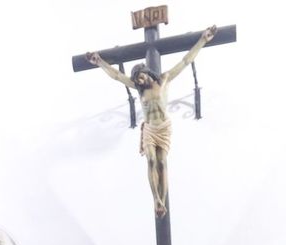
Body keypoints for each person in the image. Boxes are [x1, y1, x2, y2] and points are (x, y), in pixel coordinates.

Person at [87, 25, 218, 217]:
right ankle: (156, 199)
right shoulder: (138, 88)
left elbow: (186, 60)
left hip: (163, 128)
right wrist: (99, 61)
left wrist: (203, 39)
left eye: (140, 78)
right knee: (150, 160)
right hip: (149, 129)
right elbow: (116, 76)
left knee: (162, 163)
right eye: (137, 82)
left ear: (146, 72)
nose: (139, 82)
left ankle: (163, 201)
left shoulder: (164, 79)